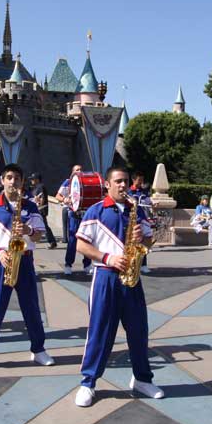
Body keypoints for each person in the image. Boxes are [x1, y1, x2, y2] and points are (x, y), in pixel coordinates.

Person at [72, 167, 160, 407]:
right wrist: (108, 257)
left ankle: (142, 379)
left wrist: (144, 238)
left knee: (139, 331)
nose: (123, 185)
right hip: (105, 277)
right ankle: (88, 382)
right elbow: (81, 245)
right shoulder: (96, 210)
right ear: (108, 185)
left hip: (132, 279)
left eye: (126, 181)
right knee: (100, 332)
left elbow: (150, 241)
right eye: (118, 181)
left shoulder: (137, 211)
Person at [0, 163, 53, 374]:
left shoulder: (31, 206)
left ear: (22, 181)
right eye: (9, 177)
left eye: (17, 178)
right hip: (3, 261)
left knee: (32, 308)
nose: (13, 181)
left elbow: (39, 235)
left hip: (25, 260)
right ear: (2, 180)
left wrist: (27, 229)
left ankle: (38, 349)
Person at [55, 164, 90, 275]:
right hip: (74, 214)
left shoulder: (86, 181)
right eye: (77, 170)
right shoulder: (68, 182)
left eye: (81, 169)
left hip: (85, 214)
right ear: (72, 172)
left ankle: (87, 265)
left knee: (87, 239)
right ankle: (68, 265)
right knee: (72, 241)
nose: (79, 171)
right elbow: (58, 196)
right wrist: (65, 199)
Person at [128, 171, 153, 274]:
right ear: (134, 180)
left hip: (143, 219)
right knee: (132, 243)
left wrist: (153, 203)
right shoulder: (129, 191)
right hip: (133, 220)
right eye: (139, 180)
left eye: (142, 180)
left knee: (145, 241)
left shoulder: (144, 191)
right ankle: (132, 264)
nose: (141, 182)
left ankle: (143, 264)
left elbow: (148, 201)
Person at [29, 173, 57, 249]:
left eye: (32, 179)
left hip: (41, 209)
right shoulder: (36, 187)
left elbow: (42, 198)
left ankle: (52, 242)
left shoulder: (41, 186)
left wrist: (39, 207)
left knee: (44, 226)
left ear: (37, 179)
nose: (31, 181)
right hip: (37, 209)